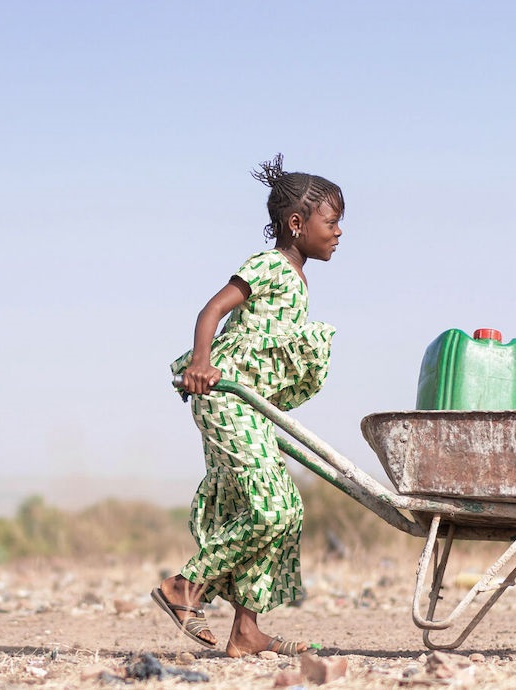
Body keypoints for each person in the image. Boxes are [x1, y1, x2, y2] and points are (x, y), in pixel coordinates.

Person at [150, 154, 343, 657]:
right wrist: (200, 361)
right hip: (225, 398)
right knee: (272, 510)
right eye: (332, 221)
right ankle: (184, 588)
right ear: (296, 224)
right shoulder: (268, 265)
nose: (339, 232)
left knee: (275, 510)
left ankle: (246, 630)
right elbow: (211, 309)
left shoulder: (298, 278)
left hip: (250, 406)